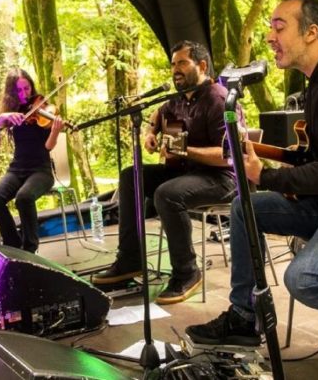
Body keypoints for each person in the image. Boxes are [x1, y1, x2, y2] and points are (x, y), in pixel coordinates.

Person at [186, 0, 318, 346]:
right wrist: (262, 155)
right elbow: (317, 157)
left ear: (312, 32)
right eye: (269, 27)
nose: (269, 36)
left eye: (279, 26)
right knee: (244, 209)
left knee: (305, 277)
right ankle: (243, 316)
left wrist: (264, 176)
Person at [93, 40, 245, 304]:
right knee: (131, 177)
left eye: (182, 63)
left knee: (166, 194)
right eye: (173, 64)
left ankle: (187, 272)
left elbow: (229, 158)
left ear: (202, 65)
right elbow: (157, 115)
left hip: (220, 178)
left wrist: (185, 151)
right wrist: (151, 133)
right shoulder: (176, 99)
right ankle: (130, 260)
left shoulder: (219, 100)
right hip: (185, 173)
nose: (175, 69)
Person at [0, 68, 63, 253]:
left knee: (24, 198)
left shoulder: (43, 109)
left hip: (41, 171)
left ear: (31, 85)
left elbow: (48, 147)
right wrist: (2, 117)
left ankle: (29, 250)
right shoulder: (12, 113)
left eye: (26, 88)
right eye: (18, 90)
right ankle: (13, 245)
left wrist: (55, 131)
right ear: (11, 92)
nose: (24, 94)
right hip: (17, 170)